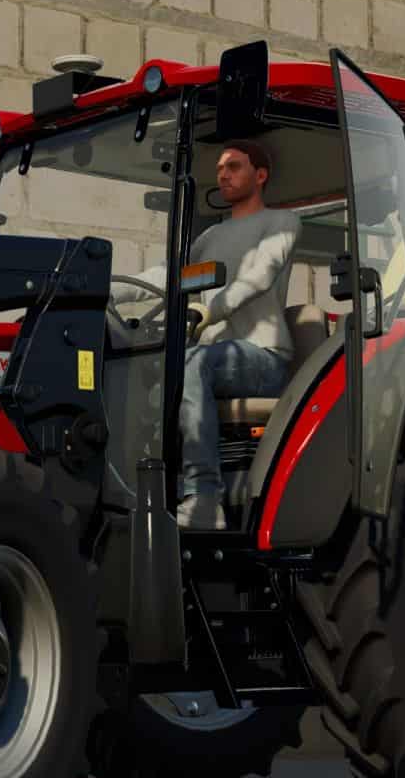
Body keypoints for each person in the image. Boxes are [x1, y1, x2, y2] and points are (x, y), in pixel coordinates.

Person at [113, 140, 300, 529]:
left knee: (191, 362)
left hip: (264, 358)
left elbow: (258, 276)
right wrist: (107, 288)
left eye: (234, 166)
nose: (223, 174)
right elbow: (166, 276)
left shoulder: (281, 223)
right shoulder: (211, 237)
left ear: (260, 175)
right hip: (212, 355)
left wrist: (208, 310)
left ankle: (204, 497)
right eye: (219, 169)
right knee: (147, 371)